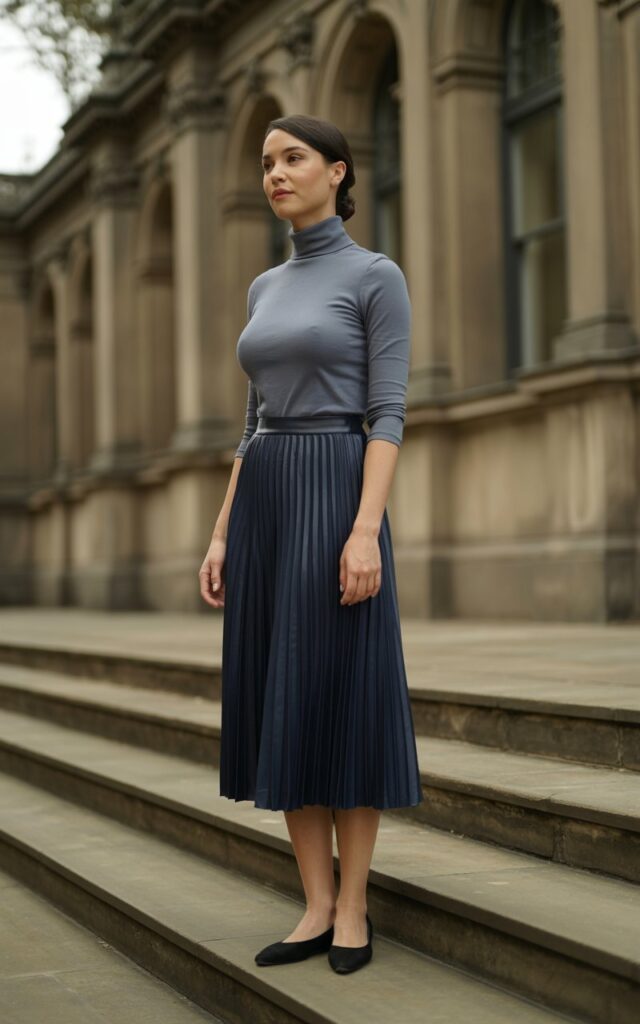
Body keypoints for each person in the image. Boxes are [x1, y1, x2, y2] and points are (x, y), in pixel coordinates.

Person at [199, 114, 423, 975]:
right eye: (266, 162)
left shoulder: (376, 275)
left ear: (337, 171)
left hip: (338, 488)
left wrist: (365, 529)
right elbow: (251, 423)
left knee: (345, 693)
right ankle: (316, 903)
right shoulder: (262, 288)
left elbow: (389, 412)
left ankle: (357, 906)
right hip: (267, 500)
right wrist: (222, 529)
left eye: (293, 158)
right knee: (282, 693)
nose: (275, 173)